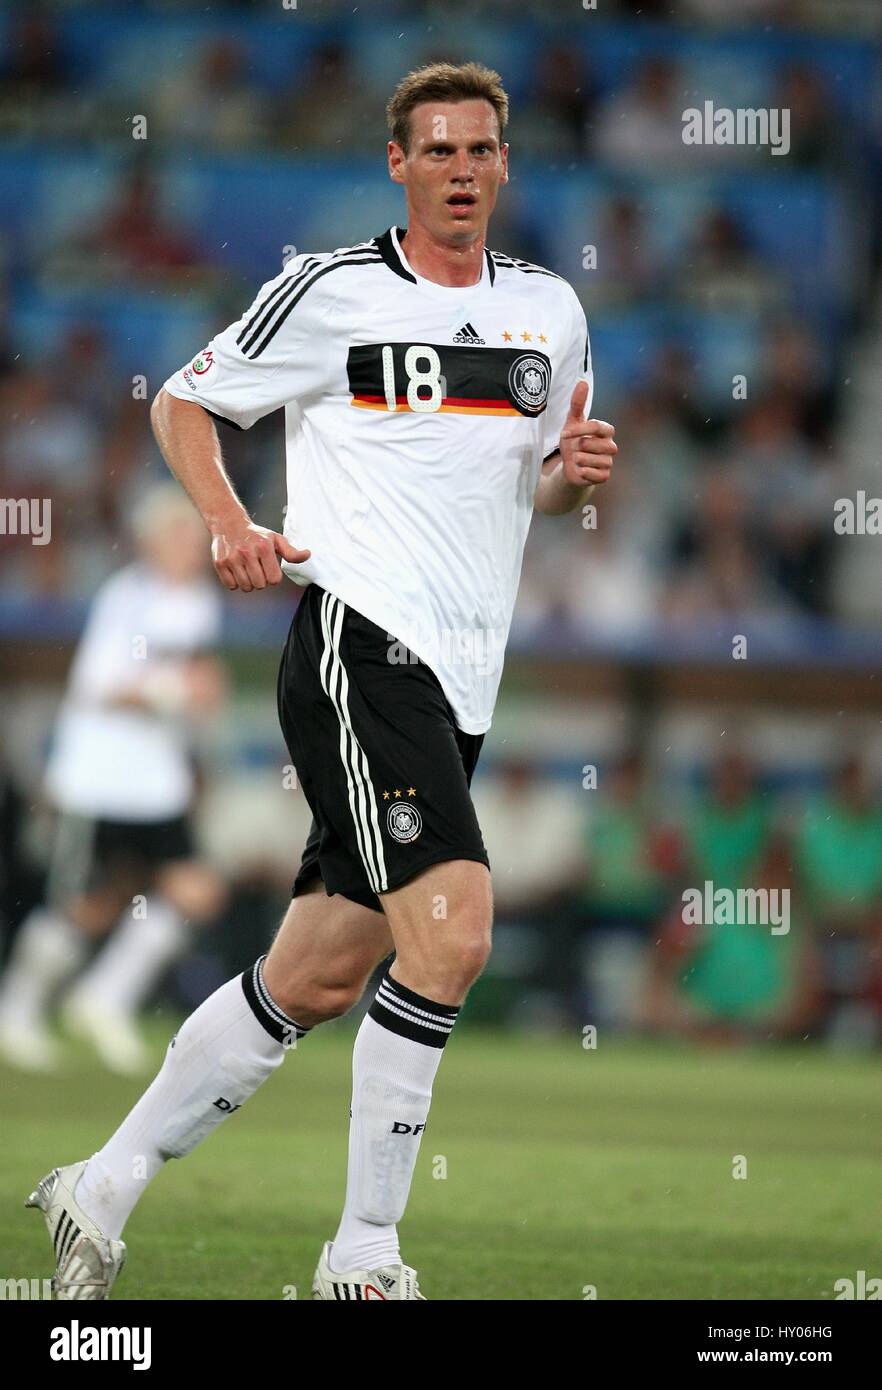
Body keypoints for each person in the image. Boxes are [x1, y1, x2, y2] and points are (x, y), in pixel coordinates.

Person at [27, 60, 617, 1302]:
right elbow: (186, 403)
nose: (461, 170)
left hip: (461, 680)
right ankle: (364, 1253)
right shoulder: (329, 292)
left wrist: (574, 473)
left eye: (480, 150)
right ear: (397, 164)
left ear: (505, 165)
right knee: (452, 936)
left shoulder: (552, 314)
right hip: (360, 645)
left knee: (319, 973)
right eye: (437, 150)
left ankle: (105, 1180)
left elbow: (541, 487)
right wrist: (233, 522)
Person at [0, 485, 226, 1074]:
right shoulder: (126, 599)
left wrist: (200, 695)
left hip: (157, 783)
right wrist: (177, 691)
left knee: (193, 891)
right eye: (183, 535)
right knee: (89, 904)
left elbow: (200, 681)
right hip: (101, 780)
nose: (193, 546)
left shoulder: (199, 601)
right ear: (155, 540)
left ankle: (103, 998)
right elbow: (100, 686)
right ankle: (16, 1012)